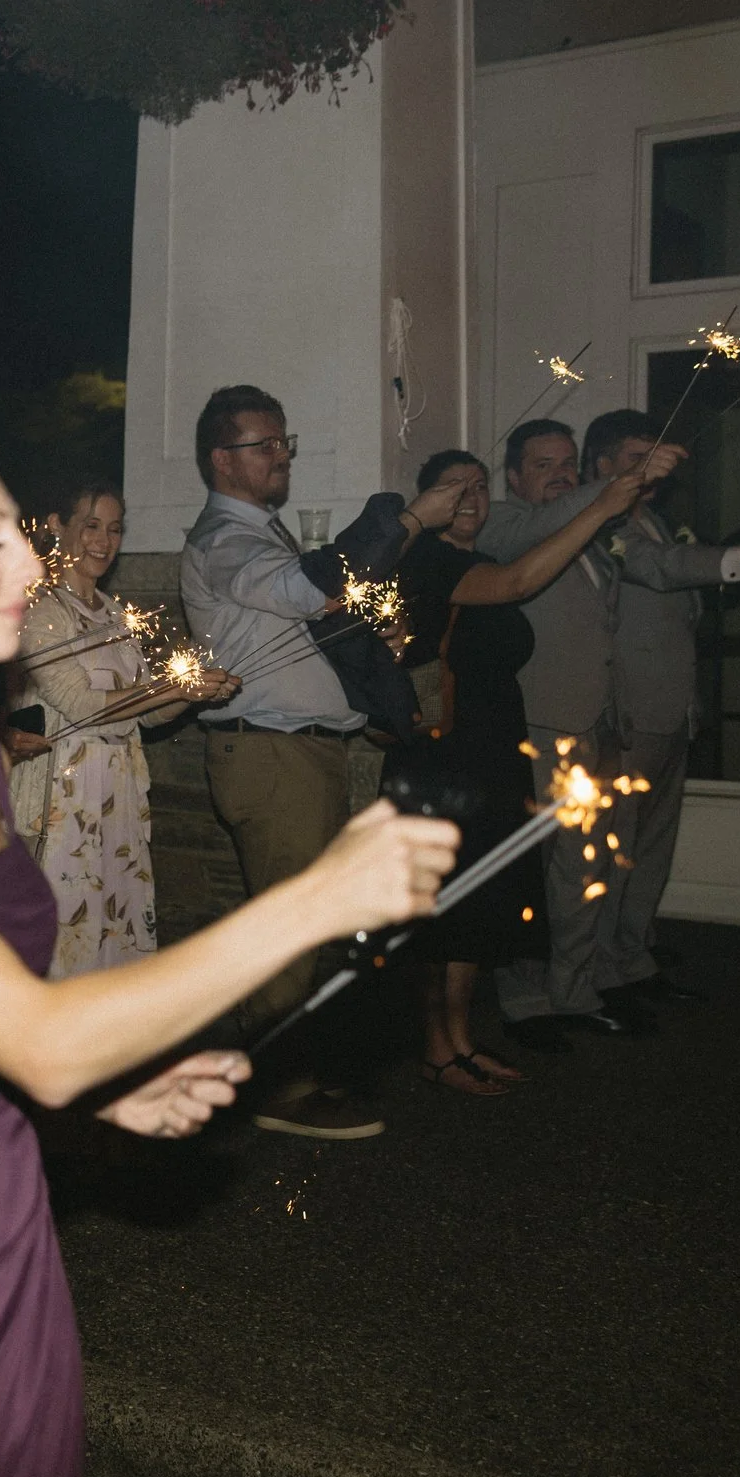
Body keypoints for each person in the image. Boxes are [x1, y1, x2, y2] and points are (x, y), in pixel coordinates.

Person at [0, 417, 457, 1477]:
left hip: (6, 1216)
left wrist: (103, 1093)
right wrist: (311, 900)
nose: (30, 566)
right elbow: (36, 1036)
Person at [179, 384, 452, 1139]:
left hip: (298, 752)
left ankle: (277, 1069)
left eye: (284, 442)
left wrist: (374, 643)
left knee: (300, 918)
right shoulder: (224, 538)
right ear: (221, 459)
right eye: (264, 444)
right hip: (271, 754)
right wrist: (408, 520)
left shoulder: (262, 532)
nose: (281, 455)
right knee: (289, 924)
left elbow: (311, 621)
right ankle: (279, 1090)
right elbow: (307, 590)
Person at [391, 448, 653, 1094]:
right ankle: (435, 1050)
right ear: (427, 500)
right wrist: (599, 507)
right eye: (454, 487)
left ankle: (460, 1039)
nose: (471, 497)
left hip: (491, 748)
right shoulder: (427, 560)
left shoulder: (478, 558)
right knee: (439, 909)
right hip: (441, 756)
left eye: (480, 486)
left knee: (478, 903)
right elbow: (517, 585)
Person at [479, 419, 728, 1052]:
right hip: (539, 723)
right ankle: (529, 1000)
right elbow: (536, 537)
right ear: (514, 476)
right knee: (537, 869)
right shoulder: (503, 523)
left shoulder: (592, 535)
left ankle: (575, 989)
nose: (560, 474)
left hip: (594, 720)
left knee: (582, 865)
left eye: (567, 463)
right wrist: (612, 488)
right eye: (543, 465)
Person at [587, 408, 740, 1005]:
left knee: (650, 848)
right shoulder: (597, 525)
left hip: (669, 711)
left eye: (653, 458)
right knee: (613, 850)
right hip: (627, 715)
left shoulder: (656, 520)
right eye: (635, 460)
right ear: (602, 465)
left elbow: (680, 590)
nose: (650, 471)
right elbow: (661, 569)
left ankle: (634, 957)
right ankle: (603, 973)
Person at [15, 479, 236, 976]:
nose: (104, 541)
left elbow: (143, 713)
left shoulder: (114, 614)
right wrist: (171, 688)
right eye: (91, 525)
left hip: (116, 795)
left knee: (114, 933)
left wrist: (187, 695)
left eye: (114, 529)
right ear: (57, 527)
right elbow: (83, 706)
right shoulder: (42, 610)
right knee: (65, 937)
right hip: (65, 796)